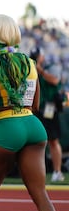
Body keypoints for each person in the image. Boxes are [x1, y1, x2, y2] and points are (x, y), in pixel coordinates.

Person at [0, 14, 56, 211]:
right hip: (33, 127)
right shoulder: (29, 63)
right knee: (41, 194)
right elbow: (35, 104)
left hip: (7, 129)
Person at [30, 47, 65, 182]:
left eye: (37, 56)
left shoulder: (52, 67)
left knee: (53, 140)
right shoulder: (30, 68)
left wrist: (40, 70)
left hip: (50, 108)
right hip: (37, 108)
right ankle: (36, 172)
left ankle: (57, 171)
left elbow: (55, 80)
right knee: (35, 142)